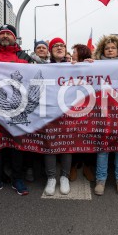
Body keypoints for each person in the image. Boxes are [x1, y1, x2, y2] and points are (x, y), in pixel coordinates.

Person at [0, 24, 33, 198]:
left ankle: (17, 178)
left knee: (17, 145)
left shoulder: (24, 56)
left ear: (14, 37)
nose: (4, 36)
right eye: (1, 33)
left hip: (18, 109)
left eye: (8, 34)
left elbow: (36, 76)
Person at [88, 35, 118, 196]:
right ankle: (101, 180)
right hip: (102, 112)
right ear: (102, 51)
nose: (109, 50)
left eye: (113, 48)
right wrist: (82, 65)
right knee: (103, 148)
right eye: (106, 48)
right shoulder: (96, 65)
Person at [43, 37, 72, 196]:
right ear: (51, 50)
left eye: (62, 45)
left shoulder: (74, 66)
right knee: (50, 145)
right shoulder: (44, 67)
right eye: (56, 46)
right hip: (49, 111)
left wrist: (87, 63)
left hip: (68, 111)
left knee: (66, 145)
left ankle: (64, 177)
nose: (59, 48)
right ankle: (51, 177)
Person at [68, 44, 96, 182]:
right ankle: (73, 166)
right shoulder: (68, 66)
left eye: (74, 51)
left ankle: (87, 166)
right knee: (75, 137)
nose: (72, 54)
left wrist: (91, 65)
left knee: (89, 137)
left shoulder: (92, 65)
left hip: (90, 106)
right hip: (73, 106)